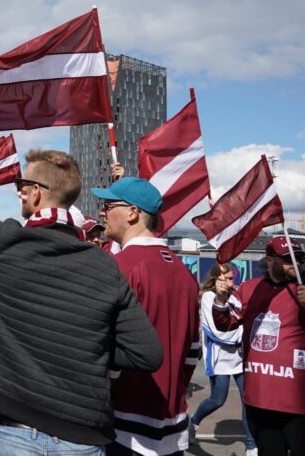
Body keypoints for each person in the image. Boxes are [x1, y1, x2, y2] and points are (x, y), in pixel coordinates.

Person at [0, 105, 163, 454]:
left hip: (14, 432)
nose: (18, 191)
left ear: (35, 193)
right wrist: (85, 346)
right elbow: (147, 354)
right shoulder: (103, 265)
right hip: (83, 436)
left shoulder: (2, 240)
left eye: (22, 184)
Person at [212, 236, 305, 456]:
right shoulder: (250, 288)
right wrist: (220, 301)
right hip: (261, 402)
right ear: (270, 261)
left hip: (304, 405)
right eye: (288, 259)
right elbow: (225, 323)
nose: (296, 264)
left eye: (299, 258)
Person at [92, 177, 201, 456]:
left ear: (132, 213)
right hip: (171, 423)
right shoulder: (184, 273)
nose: (102, 212)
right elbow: (192, 352)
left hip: (124, 426)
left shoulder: (118, 267)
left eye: (108, 205)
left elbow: (104, 350)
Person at [188, 263, 256, 454]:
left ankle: (251, 445)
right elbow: (219, 333)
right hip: (219, 358)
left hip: (240, 358)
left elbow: (245, 322)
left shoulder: (236, 296)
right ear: (215, 279)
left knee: (248, 400)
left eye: (230, 278)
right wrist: (240, 334)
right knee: (218, 399)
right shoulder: (209, 297)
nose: (227, 282)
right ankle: (193, 423)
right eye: (223, 278)